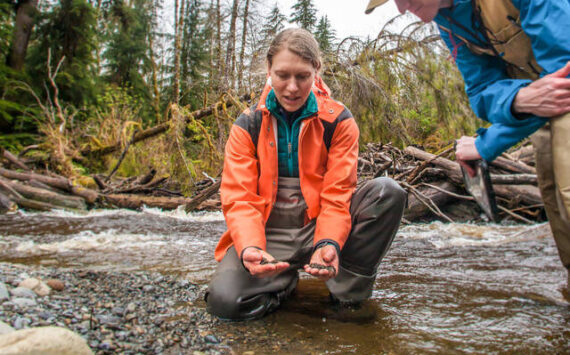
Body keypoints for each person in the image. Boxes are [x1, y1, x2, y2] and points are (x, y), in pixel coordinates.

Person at [205, 28, 407, 321]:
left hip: (318, 227)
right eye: (282, 75)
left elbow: (338, 196)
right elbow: (239, 199)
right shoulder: (246, 125)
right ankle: (281, 281)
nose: (291, 87)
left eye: (302, 76)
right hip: (267, 234)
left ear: (317, 71)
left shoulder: (339, 121)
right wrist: (250, 247)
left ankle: (346, 293)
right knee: (226, 304)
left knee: (388, 192)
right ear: (268, 70)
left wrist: (328, 243)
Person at [365, 0, 570, 286]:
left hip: (561, 94)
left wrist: (486, 145)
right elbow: (481, 93)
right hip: (543, 109)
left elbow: (563, 81)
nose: (401, 8)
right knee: (557, 206)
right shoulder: (449, 24)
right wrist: (520, 99)